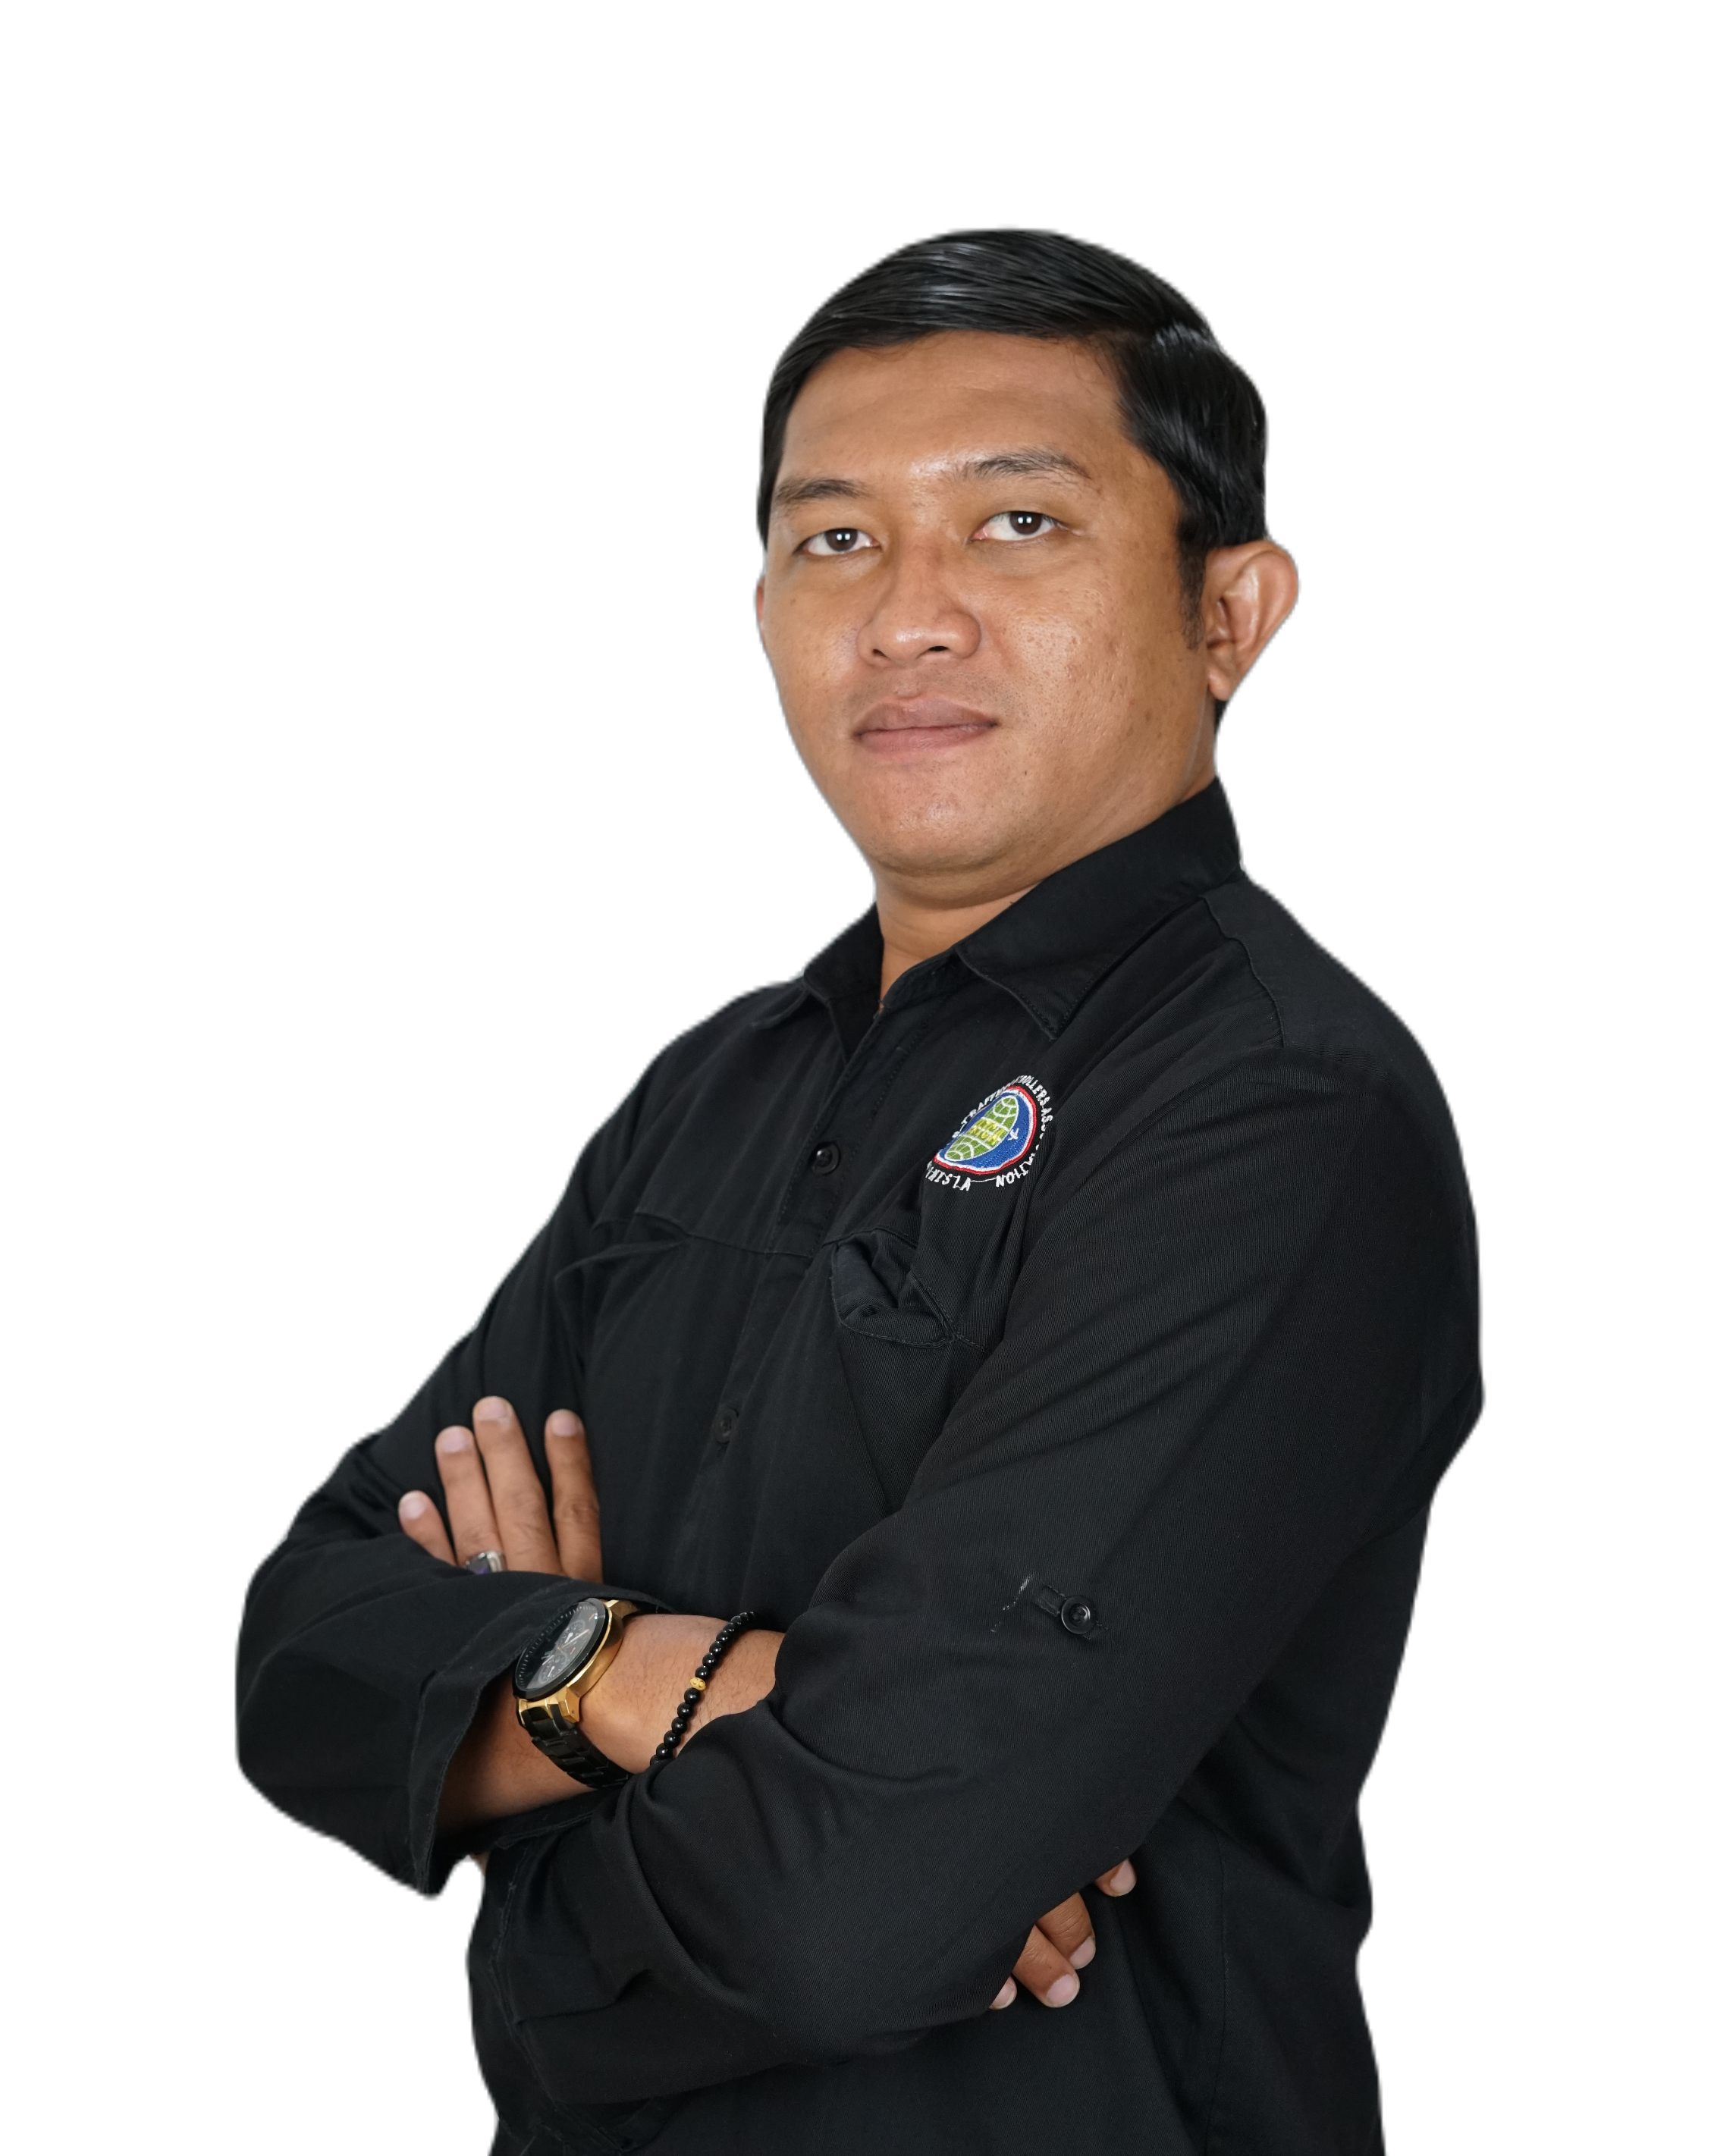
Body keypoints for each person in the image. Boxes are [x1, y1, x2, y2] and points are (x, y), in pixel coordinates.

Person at [235, 226, 1482, 2155]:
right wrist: (637, 1677)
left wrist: (514, 1851)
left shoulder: (1277, 1114)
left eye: (1015, 524)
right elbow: (305, 1645)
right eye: (834, 538)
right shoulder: (711, 1085)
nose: (905, 616)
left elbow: (850, 1908)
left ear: (1229, 611)